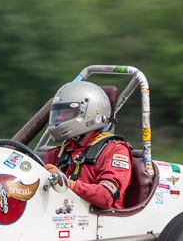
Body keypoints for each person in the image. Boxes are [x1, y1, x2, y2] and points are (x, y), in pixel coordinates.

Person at [41, 81, 133, 209]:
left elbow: (106, 196)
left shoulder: (115, 150)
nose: (60, 117)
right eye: (59, 112)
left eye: (67, 112)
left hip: (101, 223)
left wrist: (68, 184)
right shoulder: (57, 153)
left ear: (90, 113)